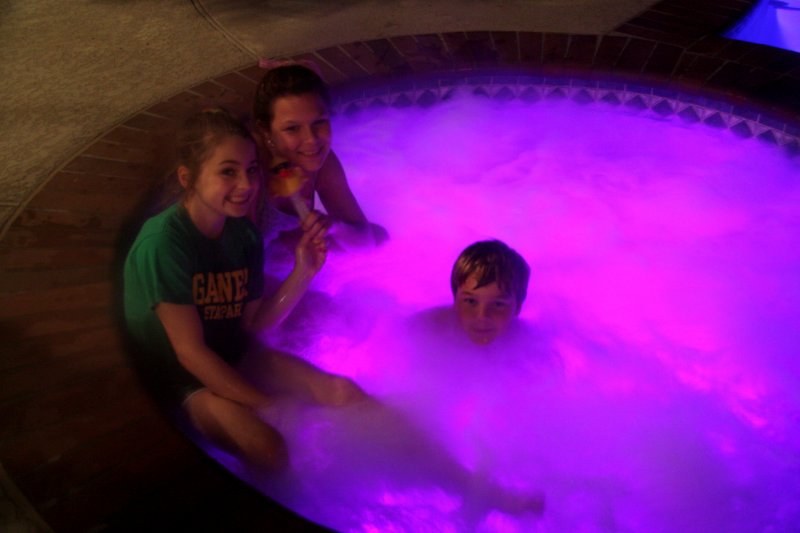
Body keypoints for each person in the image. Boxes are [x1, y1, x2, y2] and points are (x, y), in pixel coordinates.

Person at [123, 108, 365, 477]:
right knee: (269, 450)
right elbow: (190, 354)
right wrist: (265, 404)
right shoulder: (165, 244)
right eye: (228, 171)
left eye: (252, 169)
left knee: (343, 393)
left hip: (234, 352)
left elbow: (254, 323)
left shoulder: (243, 234)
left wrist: (304, 271)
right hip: (185, 379)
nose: (246, 184)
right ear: (188, 178)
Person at [251, 60, 388, 248]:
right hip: (258, 265)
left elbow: (366, 242)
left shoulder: (322, 161)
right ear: (265, 130)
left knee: (379, 236)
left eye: (319, 122)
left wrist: (334, 226)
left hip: (292, 256)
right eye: (292, 128)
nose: (311, 140)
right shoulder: (250, 163)